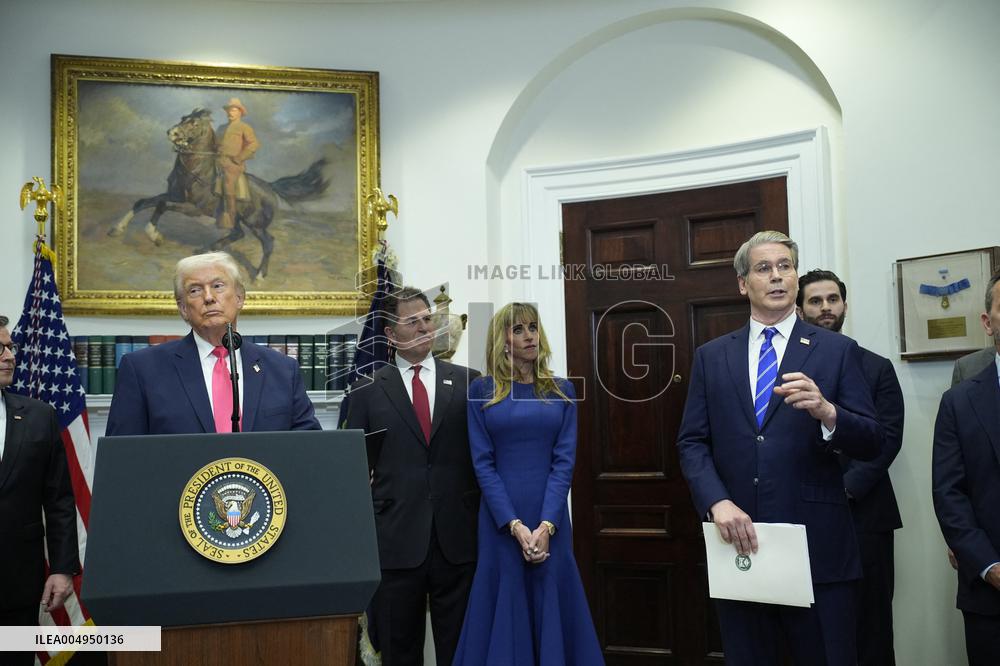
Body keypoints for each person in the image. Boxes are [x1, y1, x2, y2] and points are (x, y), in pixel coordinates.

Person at [676, 231, 882, 666]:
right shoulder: (713, 356)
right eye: (764, 268)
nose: (777, 277)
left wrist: (829, 413)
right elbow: (692, 441)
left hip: (818, 550)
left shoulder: (837, 350)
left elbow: (872, 439)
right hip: (741, 545)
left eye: (785, 266)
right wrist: (717, 502)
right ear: (742, 283)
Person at [453, 302, 604, 665]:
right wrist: (514, 525)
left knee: (550, 593)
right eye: (518, 329)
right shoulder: (481, 391)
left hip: (550, 517)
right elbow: (483, 464)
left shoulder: (563, 390)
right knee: (505, 599)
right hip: (500, 522)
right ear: (502, 340)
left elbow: (564, 463)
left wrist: (547, 524)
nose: (529, 336)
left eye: (533, 327)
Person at [344, 286, 480, 666]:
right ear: (390, 334)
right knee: (399, 650)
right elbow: (354, 466)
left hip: (458, 539)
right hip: (395, 540)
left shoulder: (471, 382)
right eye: (412, 321)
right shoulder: (366, 390)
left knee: (461, 649)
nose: (424, 327)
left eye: (427, 319)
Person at [797, 269, 904, 666]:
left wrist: (844, 489)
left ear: (844, 304)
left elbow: (888, 438)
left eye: (833, 299)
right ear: (800, 307)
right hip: (804, 514)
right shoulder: (788, 367)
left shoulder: (877, 367)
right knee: (813, 628)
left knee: (872, 627)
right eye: (815, 300)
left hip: (866, 517)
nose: (826, 308)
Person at [106, 251, 319, 435]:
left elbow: (309, 447)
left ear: (239, 298)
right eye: (195, 290)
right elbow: (123, 456)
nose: (208, 297)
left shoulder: (282, 369)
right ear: (182, 308)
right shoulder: (142, 370)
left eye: (218, 286)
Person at [0, 316, 79, 665]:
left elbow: (59, 498)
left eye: (10, 348)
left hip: (16, 583)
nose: (9, 357)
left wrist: (62, 569)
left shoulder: (37, 415)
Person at [932, 270, 1000, 666]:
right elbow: (948, 492)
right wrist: (988, 566)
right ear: (987, 322)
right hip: (989, 594)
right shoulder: (958, 402)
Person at [215, 97, 259, 229]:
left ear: (240, 112)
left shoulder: (244, 127)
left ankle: (230, 218)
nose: (230, 113)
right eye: (228, 110)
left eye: (233, 110)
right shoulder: (221, 128)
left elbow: (254, 144)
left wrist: (240, 158)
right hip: (217, 161)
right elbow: (215, 145)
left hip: (233, 164)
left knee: (228, 185)